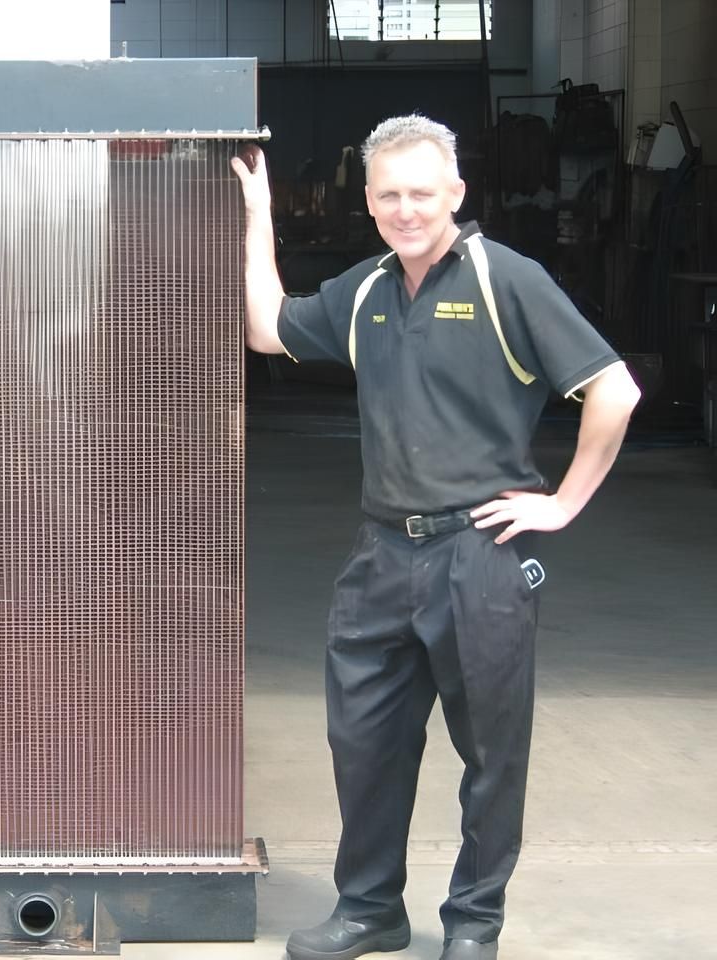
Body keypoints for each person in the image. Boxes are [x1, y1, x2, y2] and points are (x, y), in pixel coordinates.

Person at [230, 115, 640, 960]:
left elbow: (615, 388)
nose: (406, 209)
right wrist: (258, 208)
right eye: (389, 195)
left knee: (490, 753)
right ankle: (370, 908)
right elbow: (269, 326)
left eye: (423, 192)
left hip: (478, 555)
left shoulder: (504, 279)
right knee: (365, 742)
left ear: (456, 194)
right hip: (382, 553)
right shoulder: (370, 288)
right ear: (371, 203)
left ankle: (473, 925)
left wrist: (561, 503)